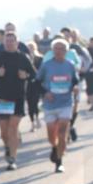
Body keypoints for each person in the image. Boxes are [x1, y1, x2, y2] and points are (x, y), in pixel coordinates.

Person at [0, 31, 36, 170]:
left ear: (17, 43)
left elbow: (34, 75)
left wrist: (26, 75)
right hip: (2, 98)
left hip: (18, 97)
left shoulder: (23, 57)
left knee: (13, 128)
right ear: (4, 43)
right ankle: (7, 146)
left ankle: (12, 159)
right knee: (3, 132)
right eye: (7, 41)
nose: (9, 43)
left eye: (12, 41)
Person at [35, 39, 80, 172]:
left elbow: (75, 81)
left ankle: (59, 161)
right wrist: (45, 93)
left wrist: (75, 87)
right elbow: (37, 82)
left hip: (66, 102)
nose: (59, 51)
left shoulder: (70, 65)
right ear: (52, 50)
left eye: (62, 49)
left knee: (62, 132)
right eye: (56, 48)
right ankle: (54, 148)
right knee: (51, 135)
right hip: (50, 104)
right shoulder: (46, 65)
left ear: (66, 51)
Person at [25, 41, 45, 131]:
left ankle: (37, 118)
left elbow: (41, 72)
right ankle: (32, 122)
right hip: (28, 83)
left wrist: (32, 66)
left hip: (37, 83)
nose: (30, 49)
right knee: (29, 104)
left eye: (31, 47)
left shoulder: (40, 58)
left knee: (35, 102)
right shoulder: (25, 58)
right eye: (28, 48)